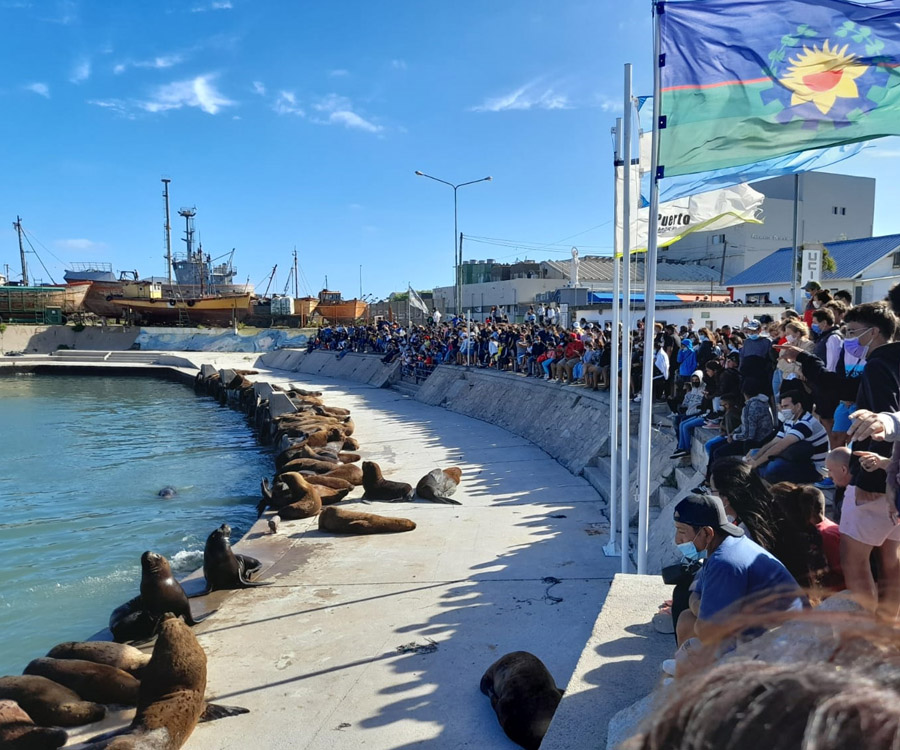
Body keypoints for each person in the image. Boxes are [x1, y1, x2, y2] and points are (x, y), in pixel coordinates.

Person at [786, 301, 900, 617]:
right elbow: (845, 386)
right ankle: (889, 628)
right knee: (891, 558)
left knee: (854, 559)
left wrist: (876, 480)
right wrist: (807, 360)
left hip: (874, 478)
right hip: (893, 479)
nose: (847, 338)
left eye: (851, 332)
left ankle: (864, 632)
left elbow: (884, 422)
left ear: (874, 332)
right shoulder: (887, 363)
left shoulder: (878, 366)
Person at [671, 494, 804, 652]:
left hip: (784, 645)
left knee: (691, 653)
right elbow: (695, 593)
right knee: (687, 620)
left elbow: (706, 631)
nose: (677, 539)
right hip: (764, 631)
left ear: (707, 533)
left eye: (681, 531)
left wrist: (699, 607)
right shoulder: (724, 546)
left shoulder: (725, 562)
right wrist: (699, 607)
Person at [745, 388, 828, 485]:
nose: (783, 410)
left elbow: (780, 446)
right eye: (782, 406)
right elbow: (774, 442)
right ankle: (761, 473)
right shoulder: (789, 421)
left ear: (798, 406)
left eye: (786, 406)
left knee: (773, 467)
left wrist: (756, 463)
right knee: (755, 452)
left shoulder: (806, 423)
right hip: (796, 459)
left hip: (813, 468)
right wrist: (756, 456)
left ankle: (761, 473)